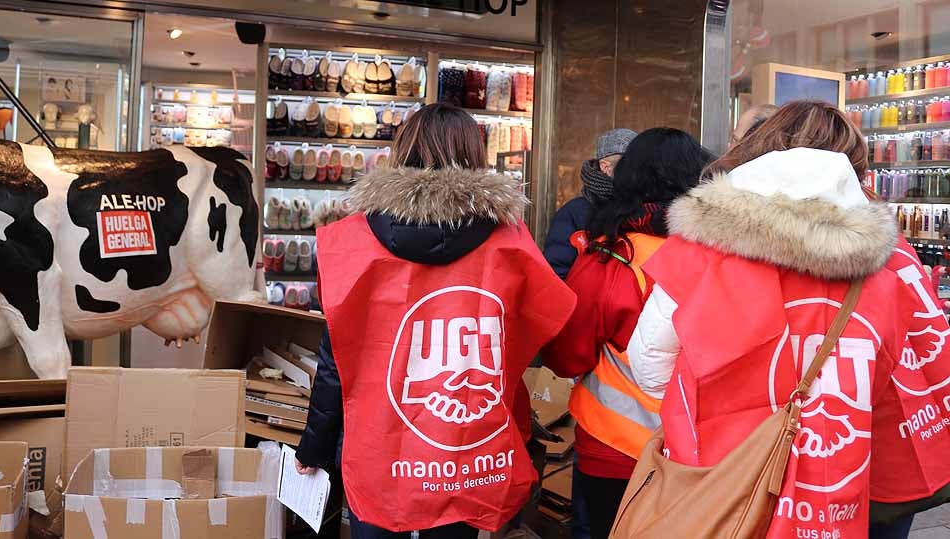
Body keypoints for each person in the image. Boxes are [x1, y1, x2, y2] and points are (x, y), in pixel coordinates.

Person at [627, 100, 950, 539]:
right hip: (851, 481)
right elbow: (908, 372)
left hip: (726, 478)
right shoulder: (890, 260)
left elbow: (649, 365)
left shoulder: (702, 245)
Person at [295, 103, 576, 539]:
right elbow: (538, 335)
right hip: (467, 450)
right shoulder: (510, 243)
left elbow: (336, 363)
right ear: (474, 155)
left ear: (402, 150)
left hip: (379, 449)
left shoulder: (353, 242)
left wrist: (313, 447)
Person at [541, 128, 714, 539]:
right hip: (703, 446)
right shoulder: (722, 251)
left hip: (615, 443)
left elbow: (568, 353)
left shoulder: (616, 253)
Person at [544, 128, 638, 278]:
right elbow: (556, 273)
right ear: (606, 167)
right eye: (630, 164)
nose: (637, 172)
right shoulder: (574, 213)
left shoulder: (646, 207)